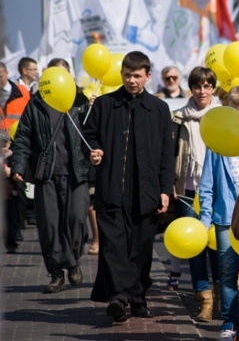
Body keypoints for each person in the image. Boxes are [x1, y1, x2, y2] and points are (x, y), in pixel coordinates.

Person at [83, 51, 174, 323]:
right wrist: (94, 151)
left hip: (146, 192)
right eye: (127, 75)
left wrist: (165, 189)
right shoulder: (105, 105)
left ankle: (137, 298)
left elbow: (166, 154)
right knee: (113, 246)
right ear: (121, 74)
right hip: (112, 189)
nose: (131, 80)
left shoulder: (159, 109)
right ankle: (119, 298)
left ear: (147, 76)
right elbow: (88, 136)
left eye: (137, 75)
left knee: (141, 248)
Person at [11, 58, 91, 293]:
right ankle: (57, 273)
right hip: (46, 174)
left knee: (77, 219)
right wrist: (18, 165)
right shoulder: (36, 104)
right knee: (50, 225)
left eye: (63, 74)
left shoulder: (80, 102)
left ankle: (73, 260)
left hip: (77, 172)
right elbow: (23, 137)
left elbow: (93, 133)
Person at [198, 86, 239, 341]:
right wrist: (204, 219)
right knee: (227, 271)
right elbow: (207, 183)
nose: (237, 119)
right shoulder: (218, 140)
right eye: (232, 113)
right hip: (226, 217)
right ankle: (229, 321)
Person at [170, 67, 219, 321]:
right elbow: (171, 154)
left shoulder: (223, 116)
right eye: (198, 86)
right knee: (195, 246)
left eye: (207, 86)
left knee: (218, 246)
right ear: (191, 88)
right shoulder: (179, 117)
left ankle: (222, 292)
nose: (202, 91)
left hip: (218, 191)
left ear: (214, 88)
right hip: (188, 190)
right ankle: (204, 298)